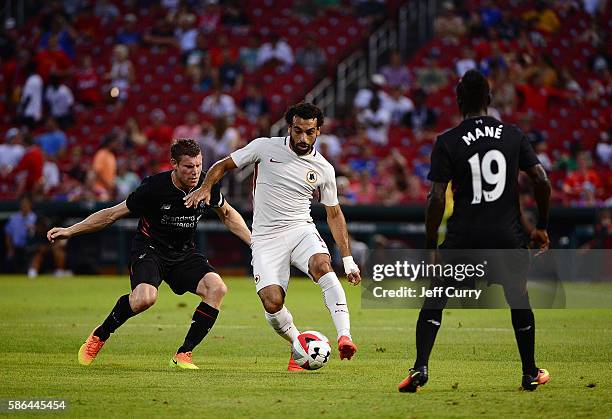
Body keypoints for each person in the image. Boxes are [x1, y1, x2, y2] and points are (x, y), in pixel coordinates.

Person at [398, 70, 552, 392]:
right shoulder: (513, 135)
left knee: (435, 298)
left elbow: (436, 197)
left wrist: (431, 245)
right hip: (506, 237)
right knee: (518, 299)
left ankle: (420, 368)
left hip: (463, 237)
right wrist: (542, 226)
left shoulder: (448, 141)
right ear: (489, 99)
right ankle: (529, 372)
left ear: (457, 102)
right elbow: (541, 180)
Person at [184, 103, 361, 370]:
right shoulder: (264, 147)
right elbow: (222, 165)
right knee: (272, 302)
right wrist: (207, 187)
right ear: (289, 127)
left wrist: (347, 259)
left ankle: (344, 336)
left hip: (301, 229)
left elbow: (334, 214)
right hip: (266, 238)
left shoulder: (324, 168)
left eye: (310, 132)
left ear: (318, 132)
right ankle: (298, 344)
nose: (303, 138)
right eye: (298, 131)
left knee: (323, 267)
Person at [47, 138, 251, 369]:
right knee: (145, 298)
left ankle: (183, 354)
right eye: (188, 167)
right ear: (173, 163)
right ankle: (100, 335)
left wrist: (254, 243)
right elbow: (111, 214)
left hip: (184, 253)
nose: (195, 172)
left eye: (198, 165)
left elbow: (227, 213)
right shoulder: (154, 188)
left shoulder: (207, 184)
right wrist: (70, 231)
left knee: (217, 288)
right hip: (150, 250)